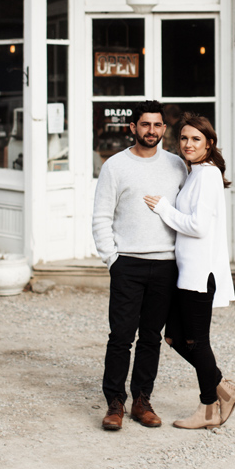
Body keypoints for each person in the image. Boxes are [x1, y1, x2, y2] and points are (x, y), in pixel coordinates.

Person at [92, 100, 188, 431]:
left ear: (165, 128)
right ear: (133, 127)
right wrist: (112, 259)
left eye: (157, 125)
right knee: (121, 336)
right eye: (145, 125)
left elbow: (187, 213)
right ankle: (114, 403)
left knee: (150, 337)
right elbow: (101, 216)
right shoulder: (115, 166)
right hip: (127, 265)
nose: (152, 131)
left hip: (165, 265)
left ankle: (142, 401)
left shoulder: (177, 165)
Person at [145, 113, 235, 430]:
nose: (188, 144)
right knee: (173, 336)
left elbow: (199, 227)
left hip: (200, 275)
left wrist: (162, 208)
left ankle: (209, 408)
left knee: (197, 342)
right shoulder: (197, 173)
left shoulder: (208, 175)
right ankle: (224, 388)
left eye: (195, 139)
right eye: (184, 138)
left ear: (209, 143)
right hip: (185, 273)